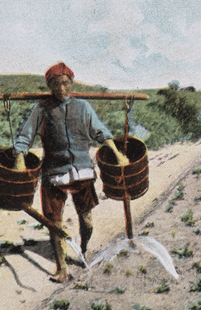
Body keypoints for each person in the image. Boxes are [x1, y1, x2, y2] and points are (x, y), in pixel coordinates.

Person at [12, 62, 129, 283]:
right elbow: (25, 134)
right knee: (54, 222)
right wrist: (19, 157)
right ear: (50, 86)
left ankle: (83, 248)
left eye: (65, 84)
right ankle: (62, 268)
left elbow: (100, 132)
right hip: (53, 173)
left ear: (71, 83)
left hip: (82, 171)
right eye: (56, 84)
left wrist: (117, 153)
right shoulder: (41, 108)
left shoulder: (83, 107)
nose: (61, 89)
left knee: (87, 221)